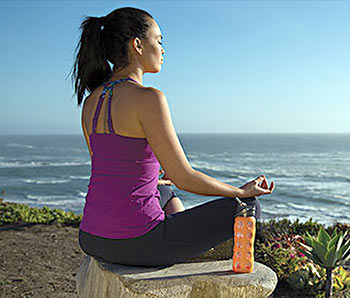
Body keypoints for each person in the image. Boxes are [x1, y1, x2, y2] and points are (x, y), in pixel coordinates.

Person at [72, 7, 275, 267]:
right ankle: (180, 252)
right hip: (136, 243)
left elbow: (110, 171)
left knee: (165, 189)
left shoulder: (92, 101)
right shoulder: (149, 98)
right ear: (137, 45)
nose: (163, 49)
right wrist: (240, 191)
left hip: (91, 237)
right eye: (158, 40)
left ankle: (177, 246)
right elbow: (185, 177)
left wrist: (152, 181)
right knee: (248, 207)